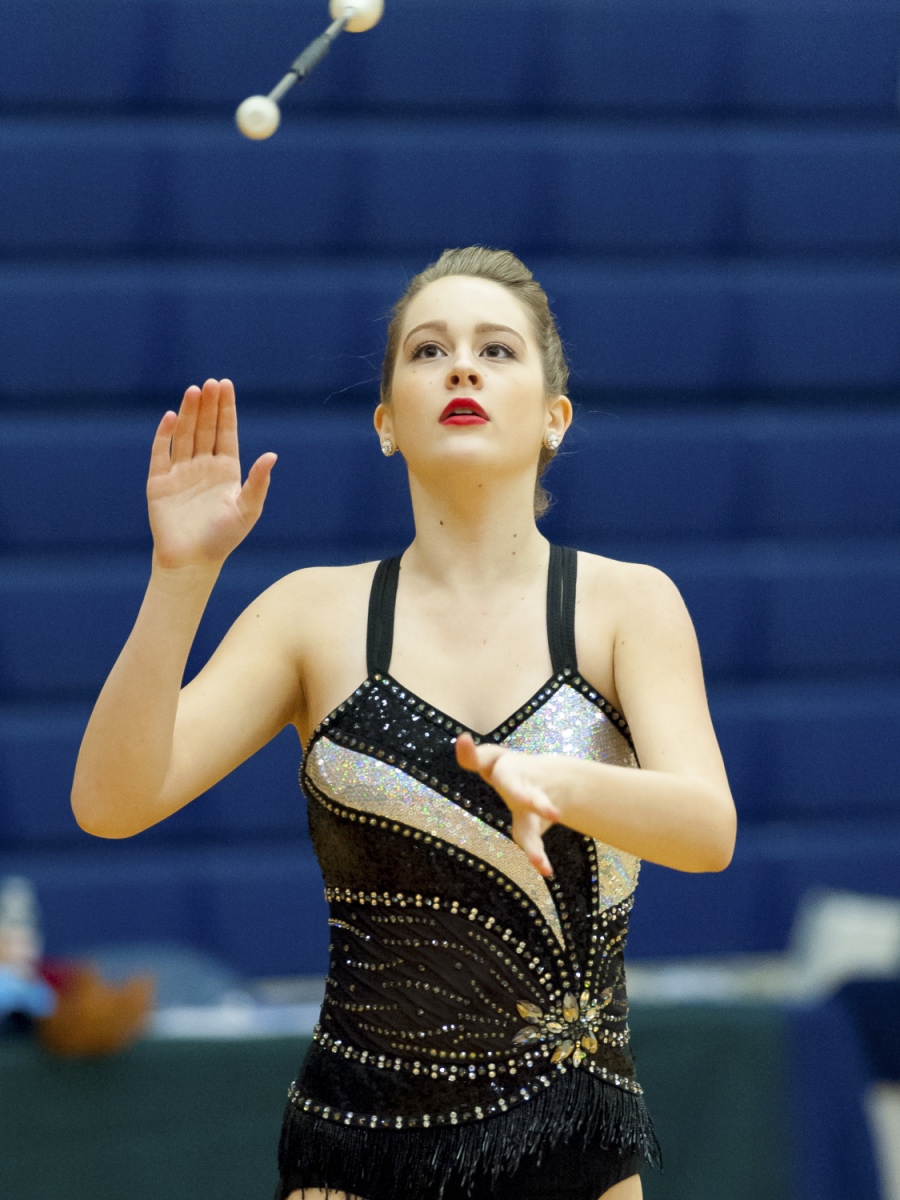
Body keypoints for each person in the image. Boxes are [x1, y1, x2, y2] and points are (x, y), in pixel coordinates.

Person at [72, 246, 736, 1200]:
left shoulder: (627, 606)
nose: (461, 367)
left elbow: (707, 829)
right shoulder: (310, 617)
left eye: (497, 351)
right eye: (429, 351)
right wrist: (182, 579)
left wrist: (563, 782)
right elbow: (108, 804)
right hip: (357, 1158)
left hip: (577, 1163)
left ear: (555, 417)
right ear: (386, 423)